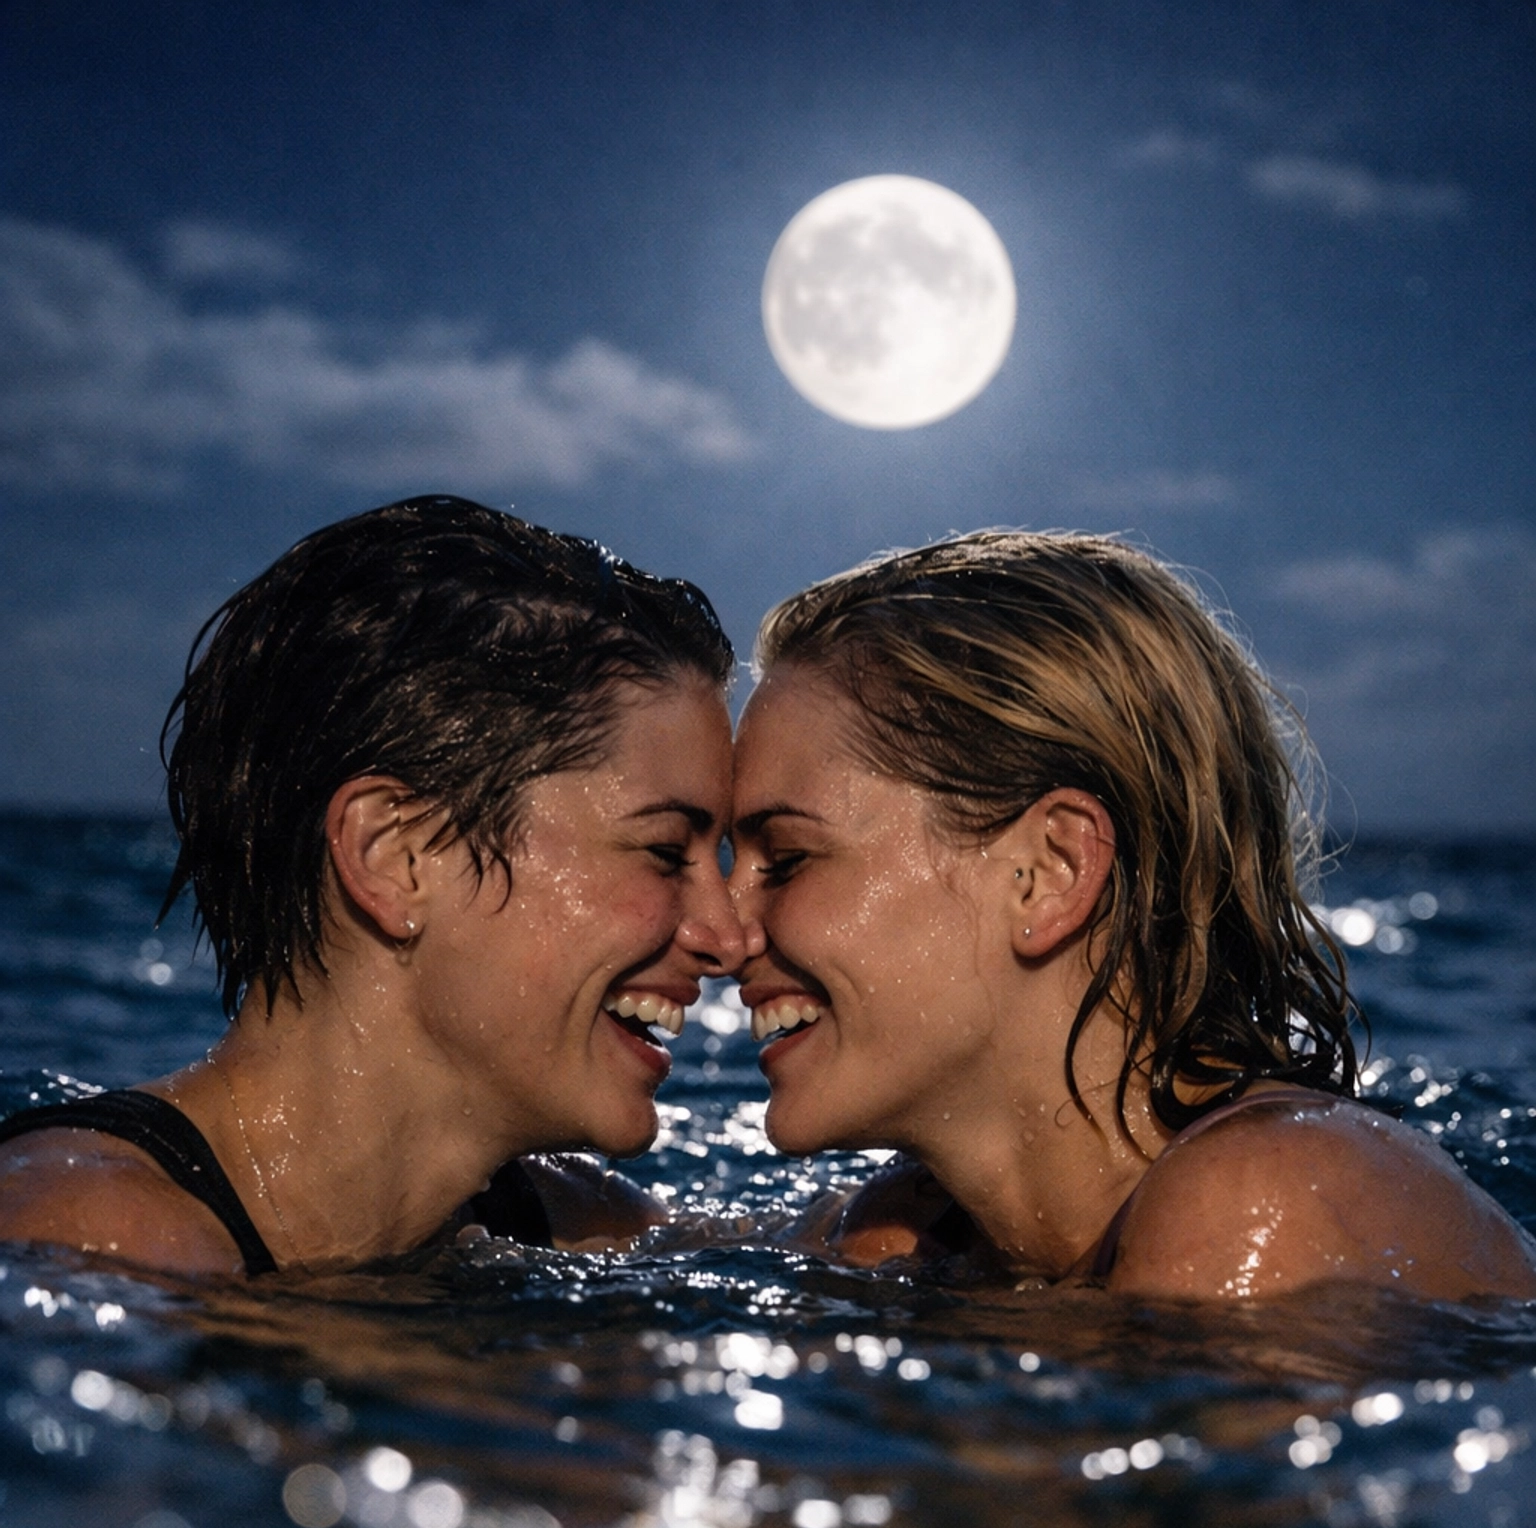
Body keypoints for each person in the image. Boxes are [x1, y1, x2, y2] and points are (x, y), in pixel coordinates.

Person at [729, 531, 1536, 1301]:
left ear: (1050, 871)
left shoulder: (1263, 1199)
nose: (723, 930)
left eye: (789, 858)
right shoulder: (913, 1236)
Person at [0, 497, 744, 1277]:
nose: (729, 938)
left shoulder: (579, 1225)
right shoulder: (85, 1240)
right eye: (664, 852)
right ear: (396, 855)